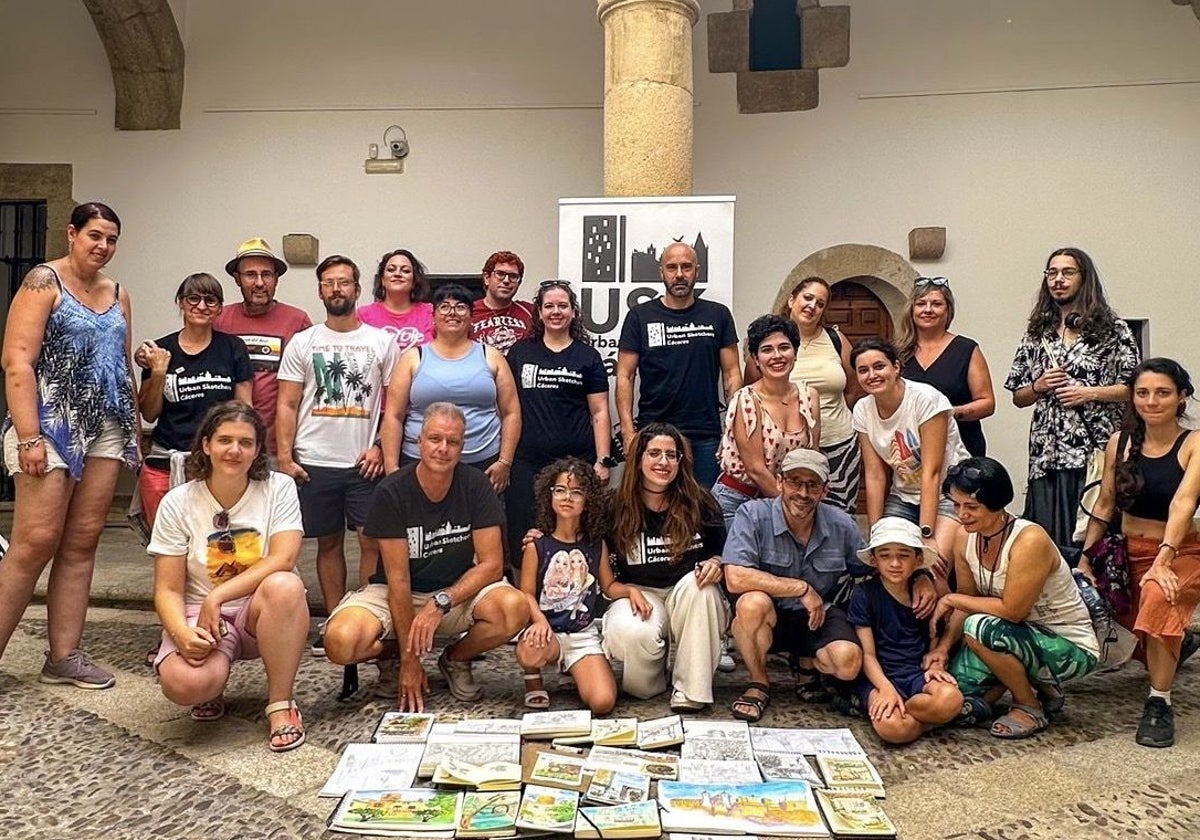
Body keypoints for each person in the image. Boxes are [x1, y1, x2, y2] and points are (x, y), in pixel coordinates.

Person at [0, 201, 140, 689]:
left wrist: (134, 433)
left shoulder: (118, 292)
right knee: (34, 541)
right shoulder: (44, 282)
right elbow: (17, 361)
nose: (103, 246)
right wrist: (28, 436)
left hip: (106, 425)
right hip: (50, 423)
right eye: (95, 235)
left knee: (82, 541)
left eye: (112, 239)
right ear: (72, 233)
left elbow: (121, 364)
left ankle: (64, 655)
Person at [322, 403, 530, 712]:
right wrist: (410, 659)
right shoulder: (392, 491)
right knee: (340, 641)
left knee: (514, 608)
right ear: (419, 441)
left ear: (463, 446)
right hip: (396, 592)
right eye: (435, 439)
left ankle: (456, 659)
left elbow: (491, 564)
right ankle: (394, 658)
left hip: (454, 592)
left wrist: (443, 600)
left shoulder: (476, 485)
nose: (443, 448)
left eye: (453, 441)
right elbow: (398, 578)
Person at [148, 402, 308, 752]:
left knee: (286, 584)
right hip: (201, 617)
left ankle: (280, 704)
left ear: (257, 450)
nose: (234, 450)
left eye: (246, 443)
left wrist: (217, 597)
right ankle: (211, 686)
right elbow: (167, 589)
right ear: (206, 445)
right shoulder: (178, 502)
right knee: (184, 684)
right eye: (224, 440)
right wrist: (182, 633)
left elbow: (285, 557)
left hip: (258, 610)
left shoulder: (278, 488)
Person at [275, 255, 397, 652]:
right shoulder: (304, 341)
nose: (337, 289)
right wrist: (285, 457)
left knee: (370, 542)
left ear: (358, 290)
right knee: (326, 543)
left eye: (344, 282)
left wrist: (380, 446)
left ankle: (365, 615)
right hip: (314, 461)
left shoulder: (382, 342)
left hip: (363, 462)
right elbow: (287, 404)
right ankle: (333, 619)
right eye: (329, 283)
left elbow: (396, 407)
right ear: (320, 291)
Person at [932, 458, 1100, 739]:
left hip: (1066, 643)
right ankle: (1034, 683)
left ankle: (1028, 705)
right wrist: (942, 648)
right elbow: (968, 598)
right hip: (1011, 633)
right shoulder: (964, 537)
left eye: (971, 506)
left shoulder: (1029, 539)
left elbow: (1011, 611)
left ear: (997, 502)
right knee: (957, 692)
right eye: (956, 505)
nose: (962, 515)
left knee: (979, 628)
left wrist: (950, 600)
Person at [1082, 358, 1200, 747]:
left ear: (1182, 396)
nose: (1152, 401)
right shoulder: (1120, 441)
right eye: (1143, 393)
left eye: (1163, 392)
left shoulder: (1195, 443)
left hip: (1182, 551)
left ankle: (1159, 703)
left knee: (1157, 596)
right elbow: (1104, 504)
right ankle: (1177, 644)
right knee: (1133, 628)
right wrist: (1085, 559)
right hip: (1126, 551)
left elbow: (1183, 503)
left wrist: (1163, 561)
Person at [1005, 247, 1140, 547]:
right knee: (1046, 541)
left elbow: (1134, 388)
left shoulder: (1112, 329)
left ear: (1084, 277)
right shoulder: (1037, 331)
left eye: (1067, 272)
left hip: (1092, 452)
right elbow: (1018, 395)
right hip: (1046, 455)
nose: (1058, 280)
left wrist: (1088, 393)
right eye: (1052, 273)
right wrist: (1038, 385)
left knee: (1092, 538)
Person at [724, 449, 872, 721]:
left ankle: (806, 666)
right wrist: (801, 588)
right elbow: (735, 576)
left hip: (817, 616)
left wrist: (921, 577)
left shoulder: (842, 524)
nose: (803, 493)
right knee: (751, 603)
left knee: (847, 663)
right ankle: (759, 683)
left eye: (812, 485)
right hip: (771, 616)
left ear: (825, 490)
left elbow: (870, 566)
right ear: (779, 482)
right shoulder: (752, 514)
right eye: (795, 482)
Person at [602, 423, 729, 713]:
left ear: (681, 462)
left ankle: (691, 689)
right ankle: (652, 678)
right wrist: (539, 535)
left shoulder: (701, 501)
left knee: (703, 589)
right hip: (638, 593)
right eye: (654, 453)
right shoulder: (614, 506)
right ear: (639, 459)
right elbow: (577, 538)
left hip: (688, 593)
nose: (663, 462)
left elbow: (726, 554)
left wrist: (716, 563)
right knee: (635, 644)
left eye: (671, 455)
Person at [616, 242, 741, 489]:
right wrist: (629, 433)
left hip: (705, 434)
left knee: (704, 510)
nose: (679, 274)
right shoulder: (640, 316)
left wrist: (732, 431)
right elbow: (625, 376)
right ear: (661, 272)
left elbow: (732, 374)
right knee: (652, 508)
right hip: (654, 431)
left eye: (686, 267)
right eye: (672, 267)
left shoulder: (718, 315)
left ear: (697, 270)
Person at [506, 280, 613, 563]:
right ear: (539, 312)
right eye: (549, 306)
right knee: (525, 535)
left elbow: (600, 410)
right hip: (527, 461)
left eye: (562, 306)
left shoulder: (587, 357)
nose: (556, 311)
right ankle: (524, 599)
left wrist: (602, 460)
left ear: (574, 312)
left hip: (575, 461)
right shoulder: (520, 353)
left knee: (573, 531)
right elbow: (506, 407)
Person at [381, 283, 520, 495]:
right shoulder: (412, 357)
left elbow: (511, 412)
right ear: (433, 316)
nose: (452, 313)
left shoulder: (491, 356)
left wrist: (505, 462)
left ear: (472, 317)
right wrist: (392, 469)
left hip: (484, 464)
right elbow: (394, 416)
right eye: (444, 306)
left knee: (485, 526)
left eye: (461, 307)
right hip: (419, 461)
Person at [137, 273, 253, 526]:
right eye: (193, 298)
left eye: (210, 300)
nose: (201, 306)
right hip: (166, 462)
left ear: (220, 308)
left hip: (216, 465)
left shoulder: (233, 348)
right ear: (181, 302)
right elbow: (149, 413)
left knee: (213, 542)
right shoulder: (160, 350)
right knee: (167, 544)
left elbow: (244, 409)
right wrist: (158, 372)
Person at [851, 338, 969, 569]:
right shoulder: (862, 409)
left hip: (948, 493)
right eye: (863, 370)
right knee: (887, 564)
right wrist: (877, 533)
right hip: (903, 495)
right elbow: (875, 476)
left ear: (896, 367)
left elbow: (932, 472)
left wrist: (926, 533)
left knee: (932, 566)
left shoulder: (925, 399)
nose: (872, 375)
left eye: (879, 366)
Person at [747, 276, 860, 513]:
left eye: (820, 303)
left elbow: (852, 388)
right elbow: (751, 394)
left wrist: (828, 418)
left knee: (837, 519)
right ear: (791, 300)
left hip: (839, 445)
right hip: (788, 450)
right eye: (807, 298)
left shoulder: (835, 339)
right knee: (795, 515)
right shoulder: (768, 342)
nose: (812, 306)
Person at [516, 458, 619, 714]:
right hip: (547, 631)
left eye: (576, 492)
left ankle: (573, 667)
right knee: (529, 652)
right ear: (549, 495)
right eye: (560, 490)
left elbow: (609, 585)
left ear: (588, 501)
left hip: (582, 635)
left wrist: (631, 592)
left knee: (603, 702)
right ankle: (533, 678)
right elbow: (526, 594)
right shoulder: (536, 545)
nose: (567, 497)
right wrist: (538, 620)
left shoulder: (596, 544)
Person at [849, 517, 963, 745]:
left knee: (951, 698)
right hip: (879, 676)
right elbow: (868, 655)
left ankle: (911, 711)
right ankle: (931, 719)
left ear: (918, 559)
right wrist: (886, 689)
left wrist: (935, 665)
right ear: (874, 560)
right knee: (892, 730)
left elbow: (933, 638)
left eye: (903, 555)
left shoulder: (925, 595)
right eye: (885, 556)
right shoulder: (864, 595)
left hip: (916, 674)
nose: (894, 563)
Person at [714, 313, 820, 529]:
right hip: (737, 502)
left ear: (795, 352)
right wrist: (793, 510)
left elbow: (812, 458)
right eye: (767, 350)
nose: (777, 356)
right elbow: (756, 470)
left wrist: (806, 505)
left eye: (784, 347)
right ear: (755, 359)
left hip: (792, 503)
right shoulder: (745, 400)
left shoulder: (810, 397)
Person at [213, 238, 312, 456]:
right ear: (237, 280)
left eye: (266, 274)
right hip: (231, 445)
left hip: (280, 446)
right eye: (250, 275)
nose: (259, 283)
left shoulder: (297, 320)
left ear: (276, 279)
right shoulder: (219, 319)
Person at [898, 277, 995, 457]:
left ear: (948, 310)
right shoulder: (898, 352)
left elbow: (987, 403)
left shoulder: (966, 349)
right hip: (912, 452)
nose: (928, 310)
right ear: (911, 310)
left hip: (961, 449)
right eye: (921, 304)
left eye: (936, 304)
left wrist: (948, 413)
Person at [358, 248, 434, 353]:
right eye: (391, 270)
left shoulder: (430, 313)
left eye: (405, 271)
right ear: (382, 280)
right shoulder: (363, 315)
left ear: (414, 281)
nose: (397, 274)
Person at [471, 250, 534, 353]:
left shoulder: (530, 312)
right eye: (500, 274)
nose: (506, 281)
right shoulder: (468, 312)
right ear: (487, 278)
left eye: (513, 276)